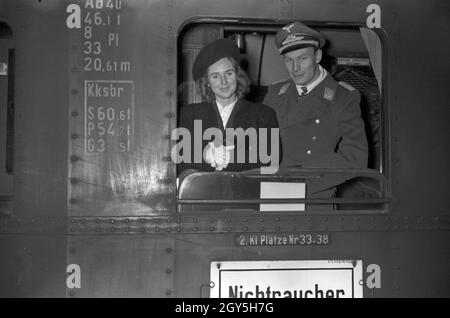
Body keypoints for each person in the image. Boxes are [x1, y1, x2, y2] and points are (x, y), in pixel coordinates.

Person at [263, 22, 368, 199]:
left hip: (314, 195)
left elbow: (355, 156)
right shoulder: (275, 93)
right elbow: (258, 141)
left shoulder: (343, 97)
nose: (295, 68)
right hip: (271, 191)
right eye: (289, 60)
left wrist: (303, 177)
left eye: (302, 59)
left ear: (317, 56)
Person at [177, 38, 279, 175]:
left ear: (237, 75)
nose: (223, 82)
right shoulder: (188, 115)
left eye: (228, 74)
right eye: (215, 76)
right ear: (207, 82)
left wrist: (231, 157)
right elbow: (176, 158)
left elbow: (271, 155)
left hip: (245, 194)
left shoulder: (263, 114)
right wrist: (205, 154)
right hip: (200, 194)